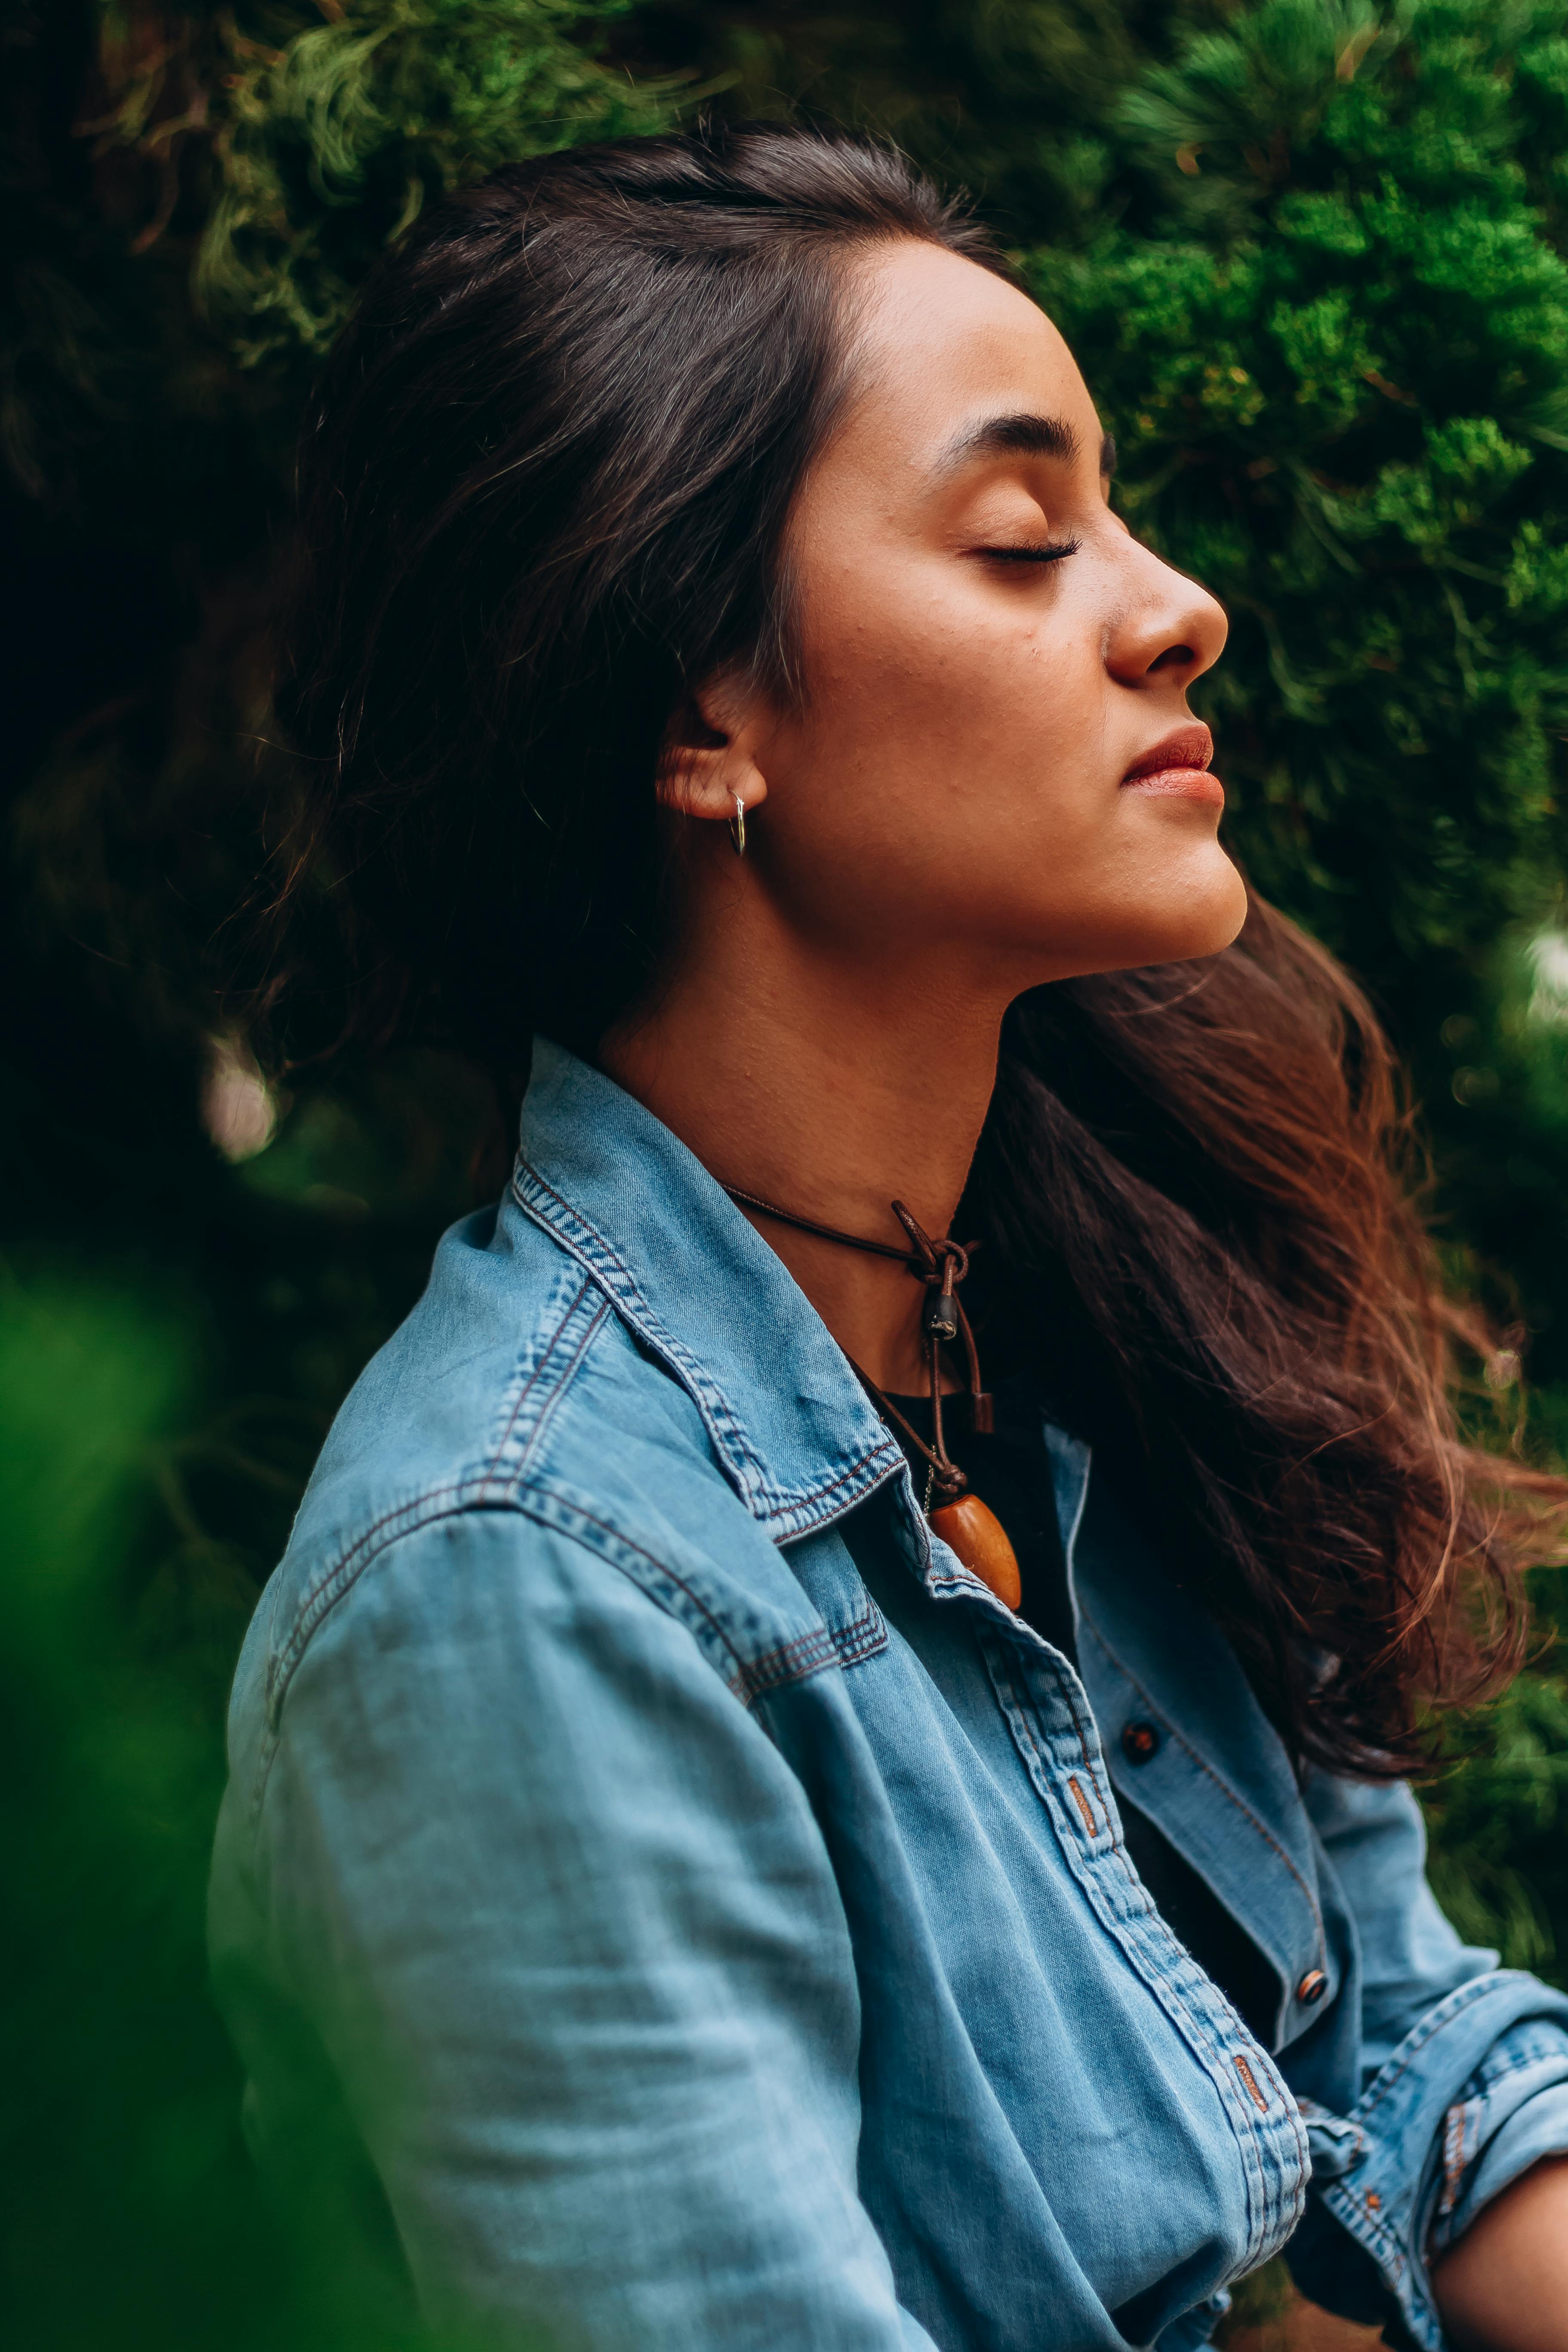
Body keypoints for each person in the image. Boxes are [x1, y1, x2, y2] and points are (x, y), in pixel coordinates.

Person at [209, 123, 1568, 2352]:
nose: (1173, 603)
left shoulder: (1085, 1323)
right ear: (695, 715)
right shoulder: (512, 1591)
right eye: (1024, 539)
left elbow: (1403, 2063)